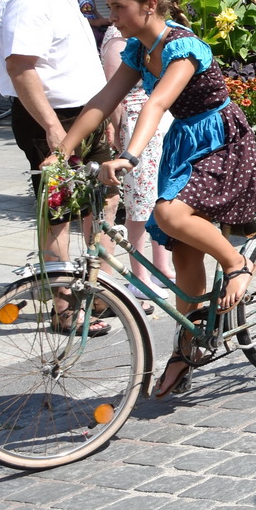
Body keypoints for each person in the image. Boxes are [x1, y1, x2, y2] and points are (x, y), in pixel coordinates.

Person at [58, 0, 256, 396]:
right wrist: (62, 150)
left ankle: (238, 262)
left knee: (168, 214)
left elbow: (156, 103)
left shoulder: (183, 46)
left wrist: (128, 156)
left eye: (118, 6)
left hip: (220, 141)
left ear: (149, 5)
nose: (110, 14)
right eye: (110, 5)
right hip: (185, 144)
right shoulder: (138, 49)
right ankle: (189, 347)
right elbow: (104, 100)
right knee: (185, 255)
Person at [0, 0, 117, 262]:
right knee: (59, 211)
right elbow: (20, 67)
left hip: (83, 113)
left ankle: (101, 289)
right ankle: (64, 307)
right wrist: (51, 128)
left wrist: (103, 117)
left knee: (104, 196)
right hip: (56, 117)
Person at [98, 24, 172, 308]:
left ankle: (161, 266)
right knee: (139, 202)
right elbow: (113, 93)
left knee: (160, 198)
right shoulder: (118, 40)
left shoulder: (154, 35)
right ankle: (139, 275)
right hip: (135, 122)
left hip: (160, 122)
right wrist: (115, 131)